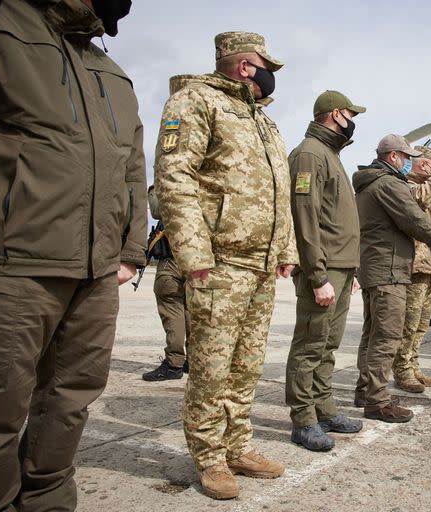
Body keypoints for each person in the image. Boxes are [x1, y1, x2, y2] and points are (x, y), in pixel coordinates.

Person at [0, 1, 145, 510]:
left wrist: (131, 251)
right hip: (12, 262)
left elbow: (133, 168)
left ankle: (48, 501)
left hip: (97, 270)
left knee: (71, 399)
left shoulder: (111, 71)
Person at [154, 31, 298, 500]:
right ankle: (209, 457)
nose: (271, 72)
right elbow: (175, 177)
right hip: (220, 262)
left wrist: (285, 249)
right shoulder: (194, 101)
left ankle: (237, 446)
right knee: (212, 368)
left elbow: (280, 193)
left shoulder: (263, 121)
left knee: (246, 365)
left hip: (259, 264)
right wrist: (194, 253)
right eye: (265, 64)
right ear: (243, 66)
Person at [353, 134, 431, 423]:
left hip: (377, 267)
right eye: (406, 157)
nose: (410, 162)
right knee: (386, 337)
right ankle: (377, 402)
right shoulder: (388, 183)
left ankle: (366, 390)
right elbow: (415, 219)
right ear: (393, 156)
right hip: (389, 269)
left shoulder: (371, 181)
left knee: (372, 334)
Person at [285, 90, 366, 452]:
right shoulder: (309, 155)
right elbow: (306, 220)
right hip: (324, 268)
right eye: (351, 115)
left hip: (341, 267)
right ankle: (303, 419)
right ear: (335, 115)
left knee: (328, 344)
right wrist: (317, 276)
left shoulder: (329, 154)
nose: (352, 123)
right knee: (310, 343)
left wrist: (351, 270)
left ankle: (324, 407)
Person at [393, 146, 431, 393]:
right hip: (415, 267)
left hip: (430, 267)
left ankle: (412, 365)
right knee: (409, 322)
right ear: (421, 163)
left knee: (421, 324)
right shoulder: (406, 186)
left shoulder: (429, 190)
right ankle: (402, 369)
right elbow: (419, 197)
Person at [142, 184, 191, 381]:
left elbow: (156, 210)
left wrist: (157, 184)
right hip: (198, 261)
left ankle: (174, 363)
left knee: (172, 311)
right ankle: (194, 360)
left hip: (172, 259)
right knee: (191, 312)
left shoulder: (170, 182)